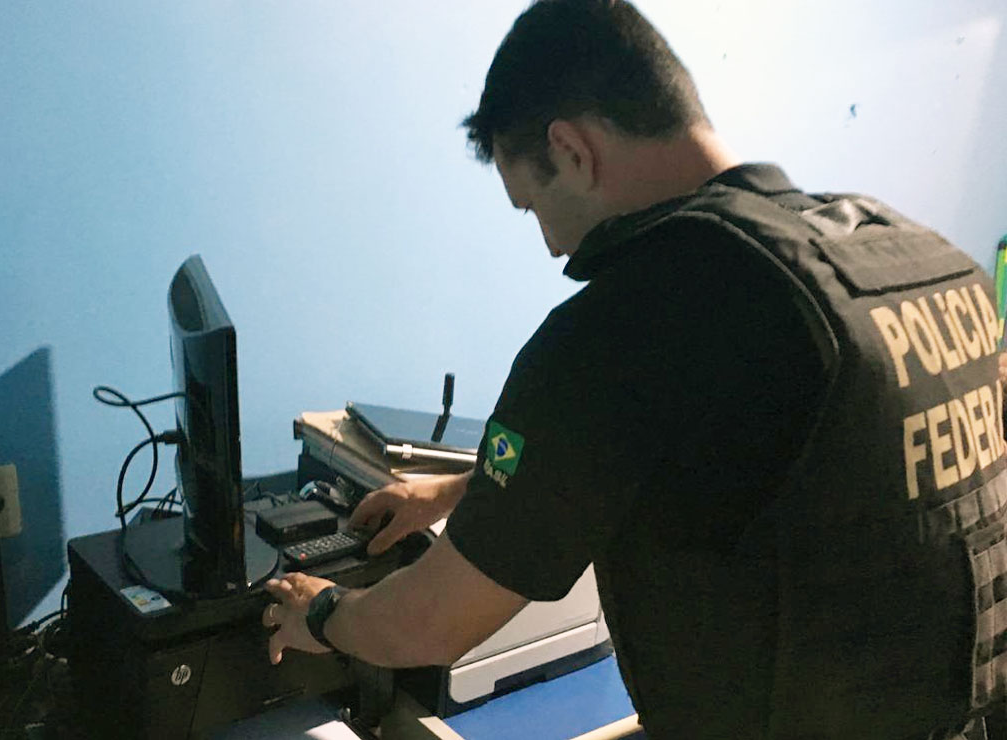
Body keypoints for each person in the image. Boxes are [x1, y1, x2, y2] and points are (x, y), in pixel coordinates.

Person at [262, 1, 1007, 737]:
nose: (552, 245)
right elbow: (788, 454)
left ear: (572, 151)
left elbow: (428, 624)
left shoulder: (634, 320)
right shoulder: (915, 259)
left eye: (532, 205)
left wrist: (322, 612)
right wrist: (462, 491)